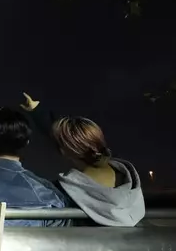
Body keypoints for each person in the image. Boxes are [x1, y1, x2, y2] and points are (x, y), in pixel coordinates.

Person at [20, 92, 145, 227]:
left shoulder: (65, 192)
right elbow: (72, 138)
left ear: (63, 151)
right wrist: (38, 113)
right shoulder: (128, 179)